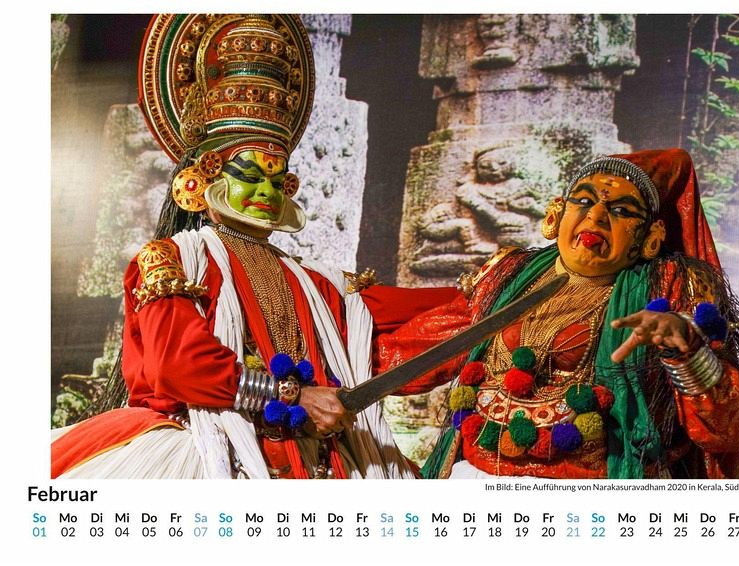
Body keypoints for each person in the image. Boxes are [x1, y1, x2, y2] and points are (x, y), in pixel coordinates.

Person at [51, 14, 455, 479]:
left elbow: (402, 326)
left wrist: (502, 284)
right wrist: (292, 396)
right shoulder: (171, 260)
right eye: (250, 176)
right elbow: (177, 363)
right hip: (205, 448)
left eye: (277, 181)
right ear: (202, 178)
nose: (267, 191)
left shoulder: (317, 284)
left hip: (310, 457)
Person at [370, 148, 739, 479]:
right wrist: (337, 352)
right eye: (582, 201)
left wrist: (687, 350)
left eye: (620, 210)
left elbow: (728, 427)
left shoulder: (668, 286)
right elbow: (419, 350)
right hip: (476, 480)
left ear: (650, 237)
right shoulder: (509, 274)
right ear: (555, 214)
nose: (595, 217)